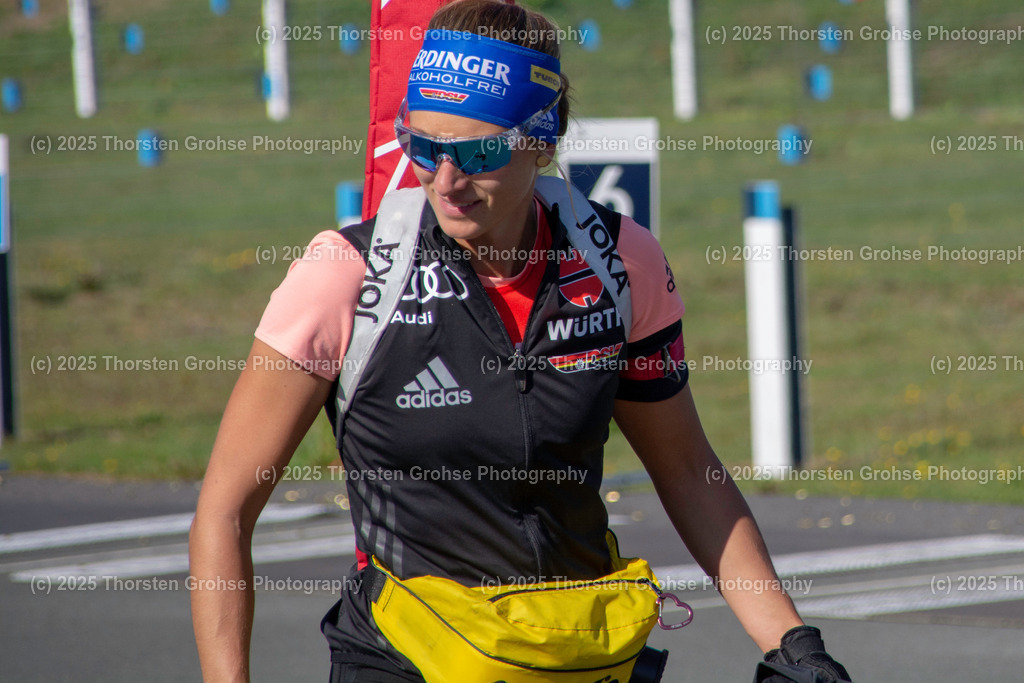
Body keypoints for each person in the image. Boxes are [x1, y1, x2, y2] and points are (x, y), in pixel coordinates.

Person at [189, 2, 851, 682]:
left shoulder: (619, 262)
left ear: (541, 139)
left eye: (477, 153)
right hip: (407, 662)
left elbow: (687, 470)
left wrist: (792, 643)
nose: (444, 180)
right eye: (422, 145)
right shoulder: (344, 277)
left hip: (578, 658)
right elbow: (225, 511)